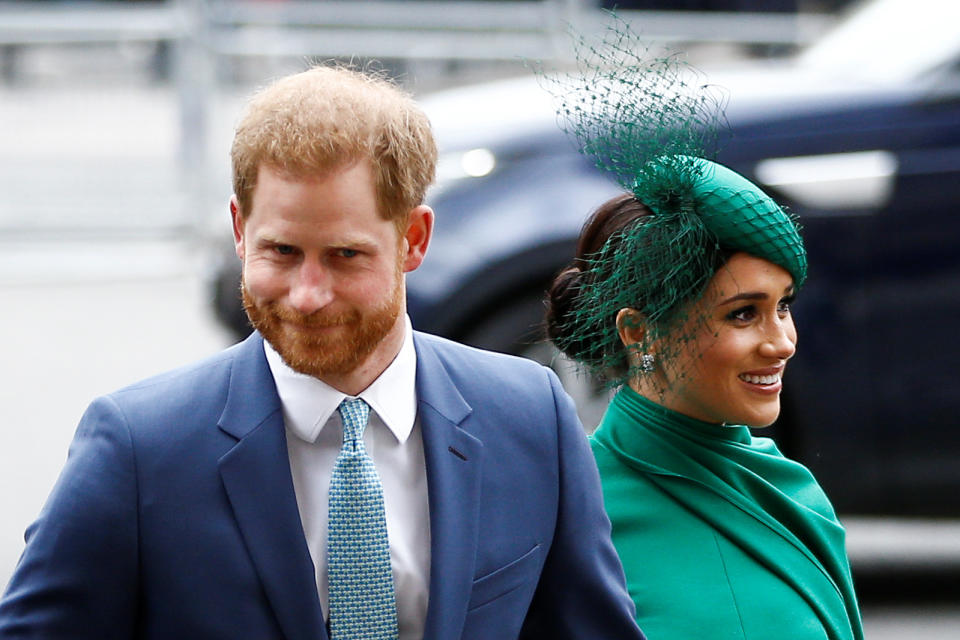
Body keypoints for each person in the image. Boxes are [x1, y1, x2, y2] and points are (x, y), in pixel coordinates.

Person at [0, 66, 644, 640]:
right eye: (281, 251)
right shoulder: (138, 446)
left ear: (414, 239)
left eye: (345, 255)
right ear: (237, 229)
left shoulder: (530, 417)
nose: (307, 295)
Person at [542, 21, 863, 640]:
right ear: (638, 332)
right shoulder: (577, 518)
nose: (782, 341)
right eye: (742, 313)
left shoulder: (790, 485)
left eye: (784, 306)